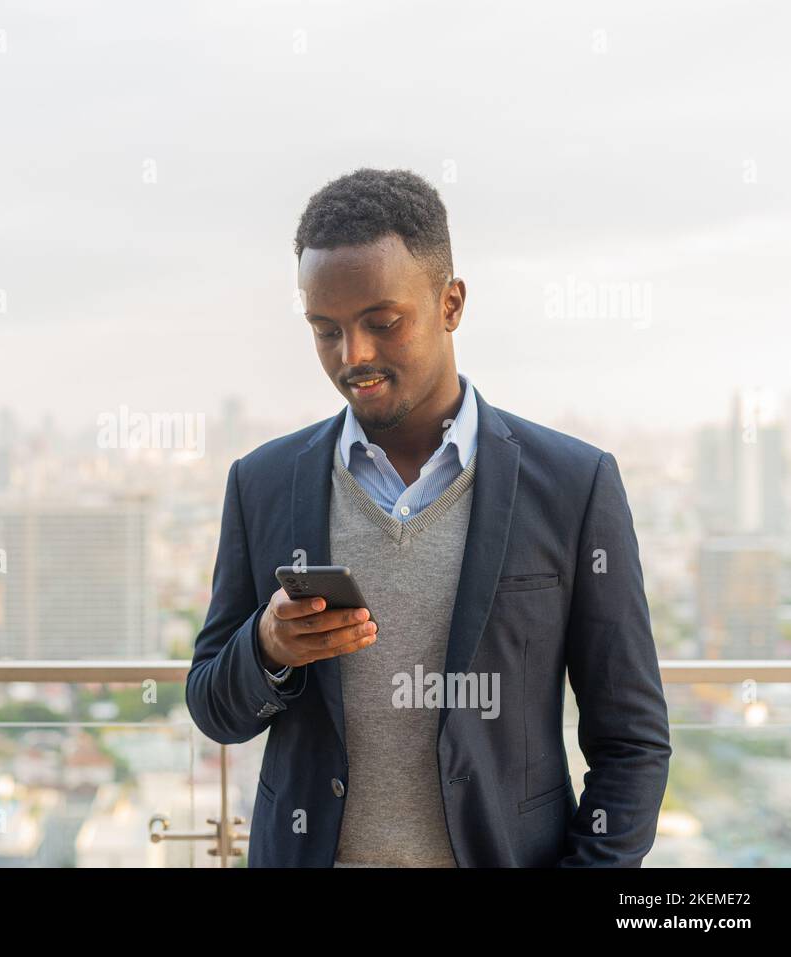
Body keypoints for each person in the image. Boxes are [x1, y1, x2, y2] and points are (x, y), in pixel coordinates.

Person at [186, 168, 671, 867]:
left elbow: (632, 742)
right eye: (326, 331)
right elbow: (212, 707)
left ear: (451, 303)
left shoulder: (574, 485)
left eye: (383, 323)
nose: (353, 356)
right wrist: (267, 648)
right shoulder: (262, 482)